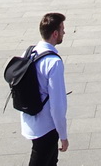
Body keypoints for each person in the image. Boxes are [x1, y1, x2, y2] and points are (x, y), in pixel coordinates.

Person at [19, 12, 69, 165]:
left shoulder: (28, 53)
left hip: (30, 119)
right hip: (46, 126)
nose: (64, 32)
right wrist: (63, 135)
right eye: (62, 29)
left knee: (50, 161)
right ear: (55, 34)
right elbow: (57, 106)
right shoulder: (54, 62)